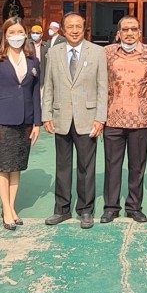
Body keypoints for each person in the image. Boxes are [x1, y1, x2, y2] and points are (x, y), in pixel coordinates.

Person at [42, 12, 107, 229]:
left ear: (84, 28)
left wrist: (100, 118)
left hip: (87, 117)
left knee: (86, 167)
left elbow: (102, 87)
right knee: (62, 166)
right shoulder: (53, 52)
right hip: (61, 116)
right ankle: (61, 209)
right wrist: (46, 114)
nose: (75, 30)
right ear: (63, 29)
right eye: (70, 26)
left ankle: (85, 210)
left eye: (78, 26)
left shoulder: (97, 52)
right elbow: (49, 85)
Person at [101, 16, 147, 224]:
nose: (129, 33)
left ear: (139, 32)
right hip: (112, 118)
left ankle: (134, 207)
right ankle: (111, 207)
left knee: (137, 166)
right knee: (112, 165)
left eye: (133, 29)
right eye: (125, 29)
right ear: (118, 33)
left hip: (139, 119)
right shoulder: (107, 53)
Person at [0, 17, 41, 229]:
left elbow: (35, 93)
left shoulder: (32, 60)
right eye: (11, 33)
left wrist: (37, 122)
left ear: (25, 34)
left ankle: (11, 206)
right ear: (5, 35)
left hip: (25, 120)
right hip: (3, 120)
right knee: (2, 166)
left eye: (20, 32)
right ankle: (6, 210)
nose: (16, 36)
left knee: (16, 166)